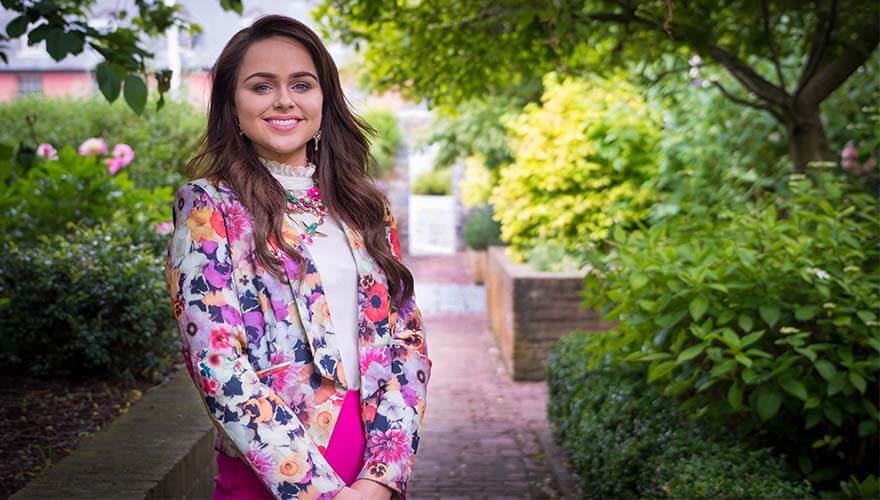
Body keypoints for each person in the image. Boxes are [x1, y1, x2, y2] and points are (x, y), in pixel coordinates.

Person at [164, 15, 431, 500]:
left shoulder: (365, 205)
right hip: (273, 470)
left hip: (373, 461)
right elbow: (215, 363)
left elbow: (405, 340)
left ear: (324, 99)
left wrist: (381, 478)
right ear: (232, 104)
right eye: (261, 86)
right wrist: (322, 494)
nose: (284, 100)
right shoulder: (210, 207)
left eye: (301, 84)